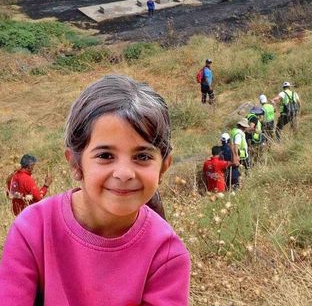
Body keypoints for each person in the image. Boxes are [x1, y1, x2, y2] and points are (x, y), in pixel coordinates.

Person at [0, 75, 190, 305]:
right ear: (75, 164)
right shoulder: (33, 229)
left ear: (164, 166)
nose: (124, 173)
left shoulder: (167, 255)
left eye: (142, 156)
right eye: (105, 156)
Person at [229, 118, 250, 188]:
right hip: (241, 155)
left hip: (236, 154)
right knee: (246, 168)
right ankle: (241, 184)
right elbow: (236, 145)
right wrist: (236, 156)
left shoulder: (234, 131)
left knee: (237, 170)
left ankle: (236, 184)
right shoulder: (239, 134)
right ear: (244, 127)